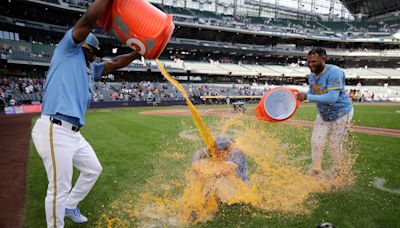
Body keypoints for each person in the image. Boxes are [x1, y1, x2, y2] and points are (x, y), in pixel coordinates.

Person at [31, 0, 140, 227]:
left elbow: (116, 63)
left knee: (93, 169)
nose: (92, 57)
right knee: (58, 186)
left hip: (73, 133)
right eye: (90, 52)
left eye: (94, 54)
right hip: (54, 126)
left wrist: (138, 52)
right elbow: (89, 20)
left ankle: (71, 206)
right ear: (80, 46)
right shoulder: (67, 50)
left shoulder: (90, 68)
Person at [296, 48, 353, 181]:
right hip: (323, 113)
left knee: (334, 145)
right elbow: (313, 92)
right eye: (309, 62)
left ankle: (340, 172)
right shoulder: (311, 76)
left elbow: (332, 98)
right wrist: (299, 96)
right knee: (316, 142)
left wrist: (307, 96)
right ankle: (316, 172)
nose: (311, 64)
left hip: (341, 113)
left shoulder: (335, 72)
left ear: (323, 59)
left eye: (314, 61)